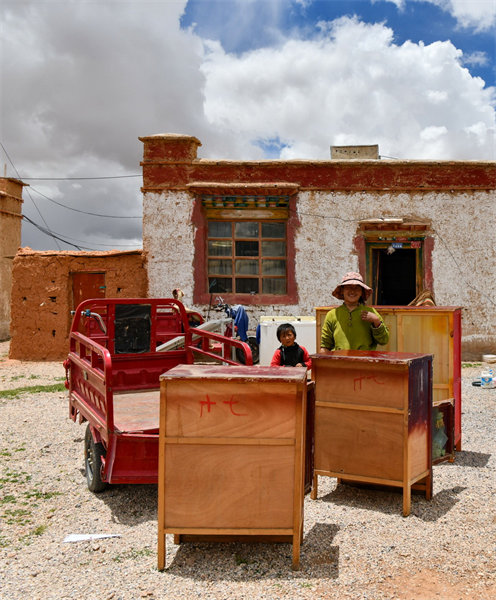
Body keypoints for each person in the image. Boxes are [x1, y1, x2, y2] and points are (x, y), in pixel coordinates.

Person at [320, 272, 389, 352]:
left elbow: (384, 340)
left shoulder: (371, 312)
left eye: (357, 288)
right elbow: (325, 345)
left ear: (362, 292)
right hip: (340, 362)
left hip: (364, 361)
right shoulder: (332, 314)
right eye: (348, 287)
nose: (352, 291)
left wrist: (376, 321)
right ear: (342, 291)